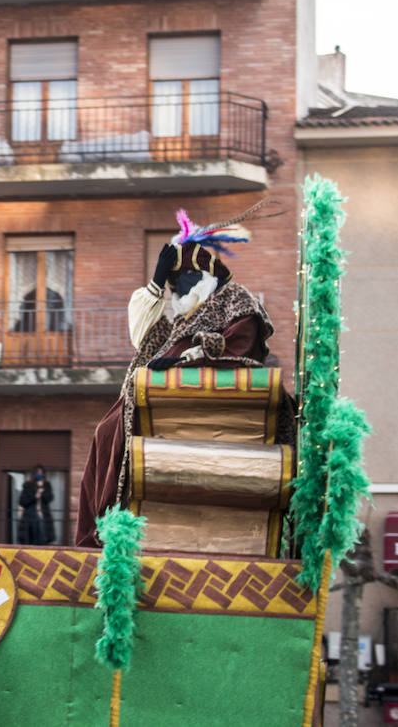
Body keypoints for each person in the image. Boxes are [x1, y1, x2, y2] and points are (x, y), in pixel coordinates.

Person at [74, 207, 284, 547]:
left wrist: (181, 363)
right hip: (150, 399)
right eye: (171, 284)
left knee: (110, 432)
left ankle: (105, 529)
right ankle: (98, 531)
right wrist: (155, 283)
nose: (176, 290)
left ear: (205, 276)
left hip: (185, 402)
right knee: (104, 432)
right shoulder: (183, 319)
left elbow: (240, 345)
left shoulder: (234, 299)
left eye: (180, 280)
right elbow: (143, 335)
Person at [17, 465, 54, 545]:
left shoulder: (46, 485)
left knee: (43, 535)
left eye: (41, 474)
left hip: (43, 514)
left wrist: (42, 489)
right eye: (37, 474)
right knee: (31, 535)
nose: (39, 476)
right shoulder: (28, 485)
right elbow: (22, 501)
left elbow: (49, 499)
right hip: (30, 514)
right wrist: (35, 496)